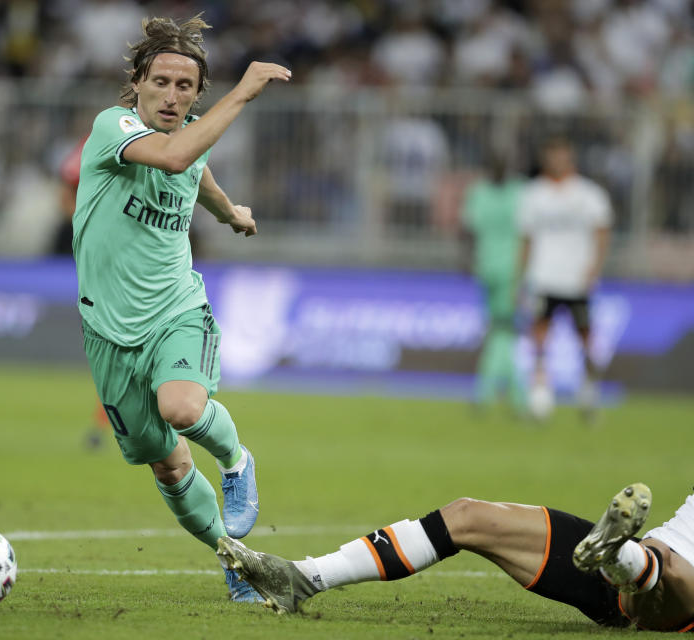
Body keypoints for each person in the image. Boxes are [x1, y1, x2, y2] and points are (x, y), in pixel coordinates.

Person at [71, 14, 291, 602]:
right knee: (164, 465)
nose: (172, 96)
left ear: (198, 95)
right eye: (162, 82)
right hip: (107, 329)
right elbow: (174, 159)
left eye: (185, 87)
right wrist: (244, 92)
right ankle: (235, 558)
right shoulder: (110, 128)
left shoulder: (191, 138)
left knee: (182, 407)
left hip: (175, 309)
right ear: (138, 82)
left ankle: (238, 461)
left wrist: (230, 214)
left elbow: (200, 177)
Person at [218, 483, 694, 632]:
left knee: (659, 575)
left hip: (678, 598)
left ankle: (629, 563)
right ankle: (303, 578)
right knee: (465, 516)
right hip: (656, 547)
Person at [516, 135, 612, 420]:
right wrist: (521, 279)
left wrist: (594, 268)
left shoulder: (588, 194)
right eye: (552, 155)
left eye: (562, 154)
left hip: (576, 279)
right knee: (540, 337)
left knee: (585, 338)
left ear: (571, 157)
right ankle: (541, 396)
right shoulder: (534, 194)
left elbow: (602, 233)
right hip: (543, 277)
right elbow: (526, 240)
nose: (557, 160)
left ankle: (589, 394)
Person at [461, 150, 526, 414]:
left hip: (492, 267)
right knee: (503, 330)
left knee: (498, 330)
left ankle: (491, 392)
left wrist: (466, 260)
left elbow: (467, 230)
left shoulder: (479, 193)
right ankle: (512, 395)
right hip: (507, 269)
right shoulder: (519, 192)